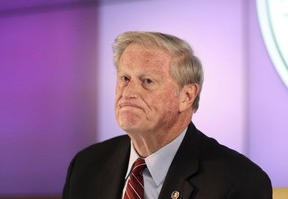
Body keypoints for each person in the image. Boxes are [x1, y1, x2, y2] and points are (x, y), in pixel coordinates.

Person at [62, 31, 272, 199]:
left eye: (148, 81)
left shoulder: (239, 182)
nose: (128, 93)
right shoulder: (86, 166)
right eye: (125, 78)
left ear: (187, 96)